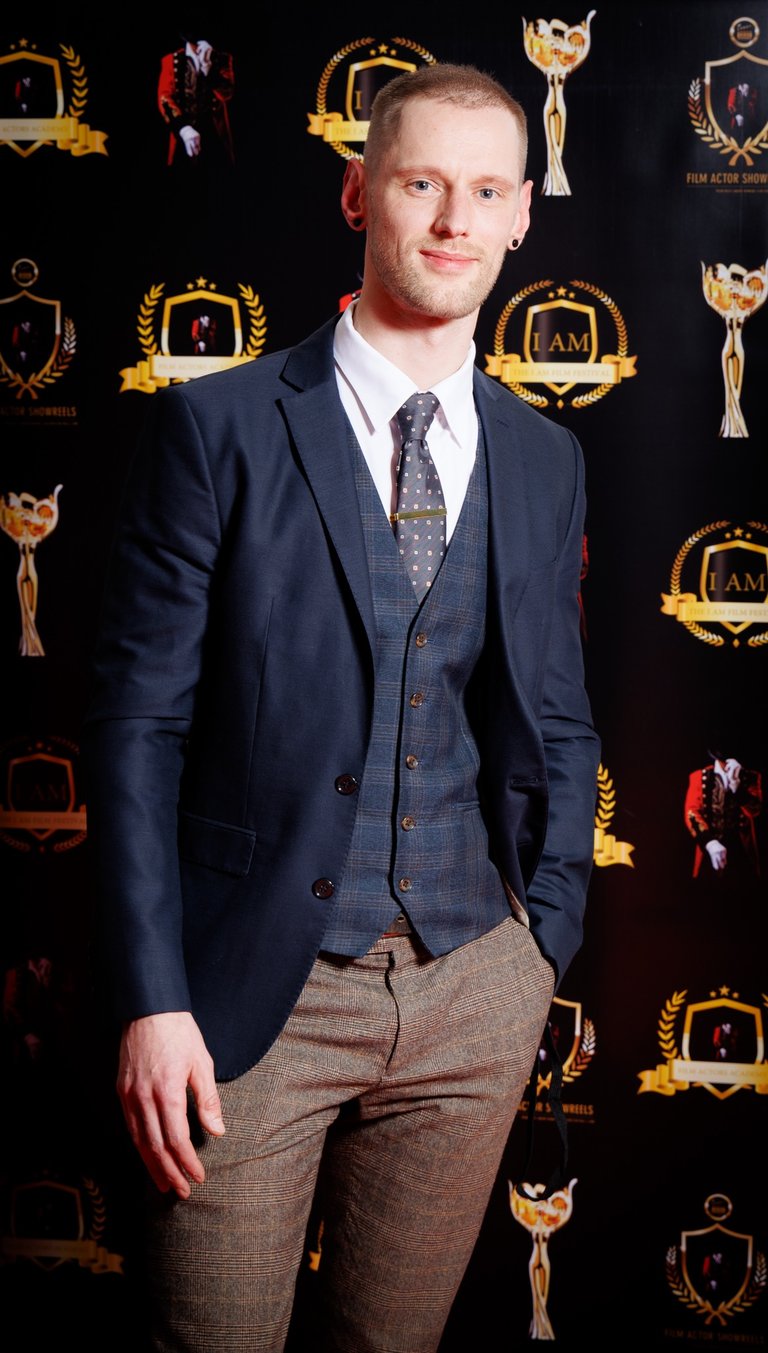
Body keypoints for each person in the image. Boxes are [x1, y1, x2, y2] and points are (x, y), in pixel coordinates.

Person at [83, 62, 600, 1353]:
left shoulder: (546, 456)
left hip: (474, 987)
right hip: (250, 998)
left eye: (487, 191)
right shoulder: (218, 428)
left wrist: (540, 946)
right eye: (423, 182)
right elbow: (138, 729)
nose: (454, 219)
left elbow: (556, 714)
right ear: (359, 192)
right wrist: (154, 999)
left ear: (521, 217)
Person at [157, 33, 235, 169]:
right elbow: (164, 98)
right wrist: (183, 128)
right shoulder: (171, 59)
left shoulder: (221, 58)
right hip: (184, 139)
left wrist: (208, 67)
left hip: (214, 137)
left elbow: (227, 93)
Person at [684, 748, 762, 879]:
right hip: (710, 852)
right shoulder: (699, 776)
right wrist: (709, 842)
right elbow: (691, 813)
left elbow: (755, 810)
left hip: (740, 853)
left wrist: (737, 785)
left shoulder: (750, 777)